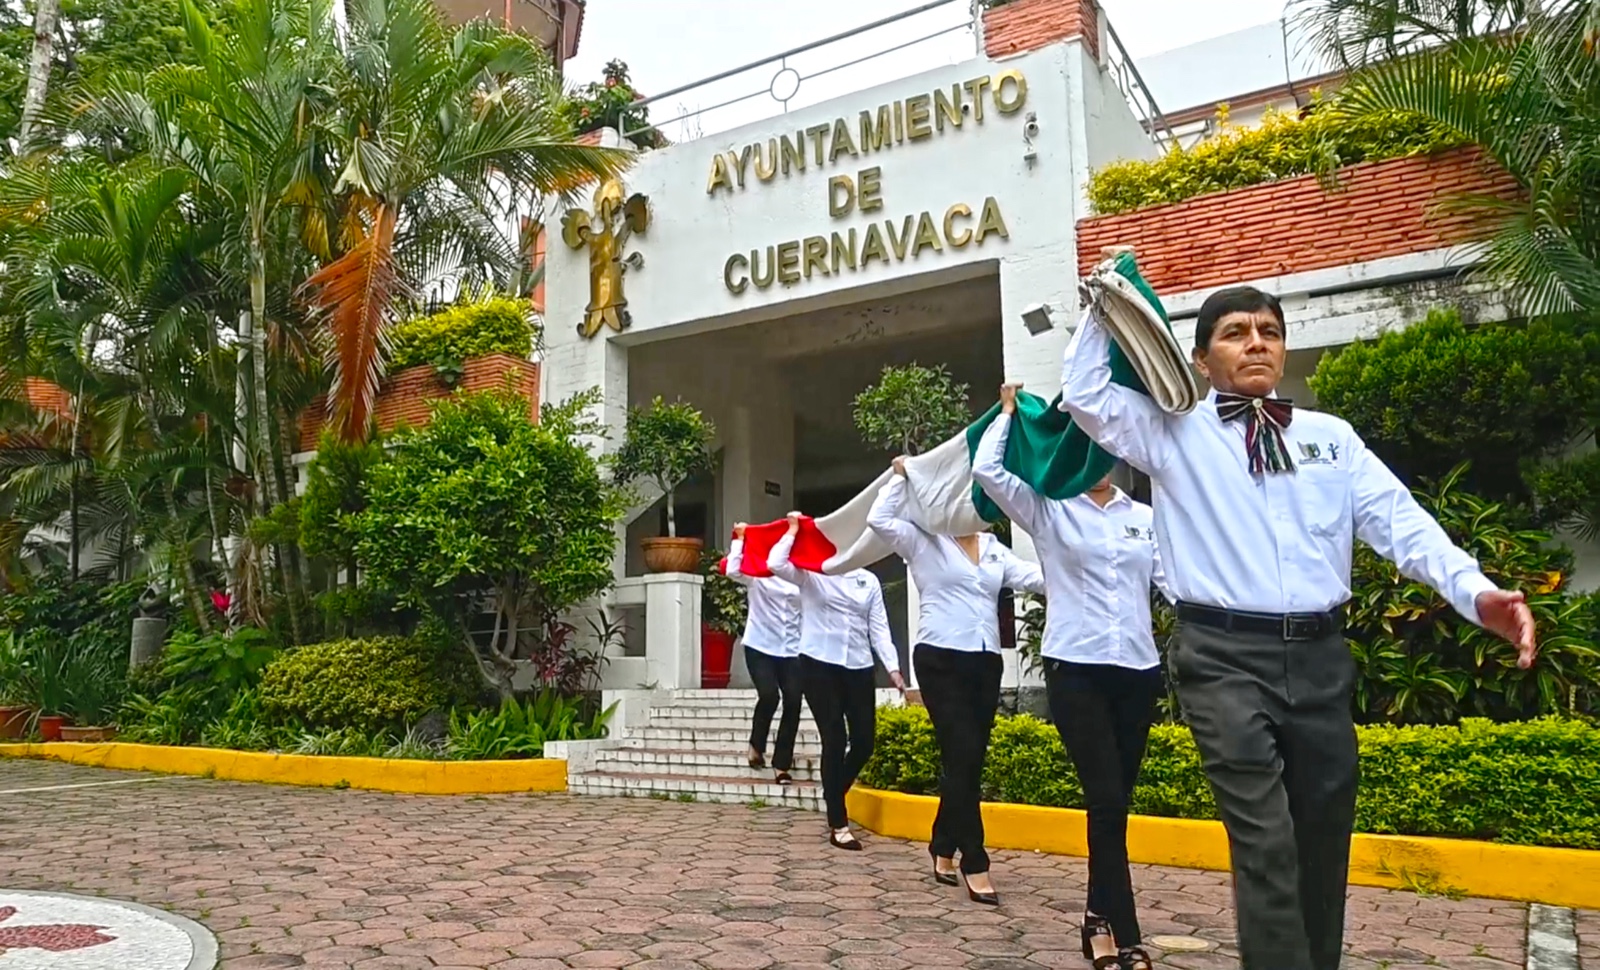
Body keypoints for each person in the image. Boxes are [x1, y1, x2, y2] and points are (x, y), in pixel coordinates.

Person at [1059, 281, 1538, 970]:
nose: (1256, 343)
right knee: (1264, 839)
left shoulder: (1331, 438)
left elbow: (1401, 523)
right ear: (1200, 360)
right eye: (1235, 332)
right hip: (1220, 656)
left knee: (1322, 837)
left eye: (1269, 331)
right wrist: (1106, 304)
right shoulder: (1170, 434)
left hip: (1319, 658)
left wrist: (1476, 593)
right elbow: (1085, 394)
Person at [972, 405, 1167, 968]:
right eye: (1086, 449)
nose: (1097, 461)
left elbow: (1173, 582)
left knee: (1116, 805)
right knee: (1105, 800)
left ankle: (1095, 917)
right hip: (1076, 669)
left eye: (1105, 450)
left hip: (1137, 670)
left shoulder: (1144, 517)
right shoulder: (1049, 509)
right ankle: (1125, 934)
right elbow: (988, 471)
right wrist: (1008, 414)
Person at [867, 458, 1046, 905]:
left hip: (985, 663)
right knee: (962, 753)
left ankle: (942, 843)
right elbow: (879, 520)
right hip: (940, 659)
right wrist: (900, 476)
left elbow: (1034, 578)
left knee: (967, 760)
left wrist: (1079, 567)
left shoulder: (993, 548)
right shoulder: (924, 541)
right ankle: (975, 860)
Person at [768, 512, 906, 850]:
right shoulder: (814, 574)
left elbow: (879, 629)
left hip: (859, 666)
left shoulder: (868, 581)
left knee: (864, 742)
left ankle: (833, 793)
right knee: (834, 738)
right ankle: (838, 823)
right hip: (818, 665)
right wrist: (792, 531)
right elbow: (775, 563)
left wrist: (893, 668)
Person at [726, 524, 803, 784]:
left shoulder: (800, 578)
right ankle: (756, 745)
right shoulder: (758, 575)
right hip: (759, 646)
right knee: (769, 695)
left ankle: (781, 765)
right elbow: (732, 570)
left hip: (791, 649)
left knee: (793, 701)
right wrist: (740, 539)